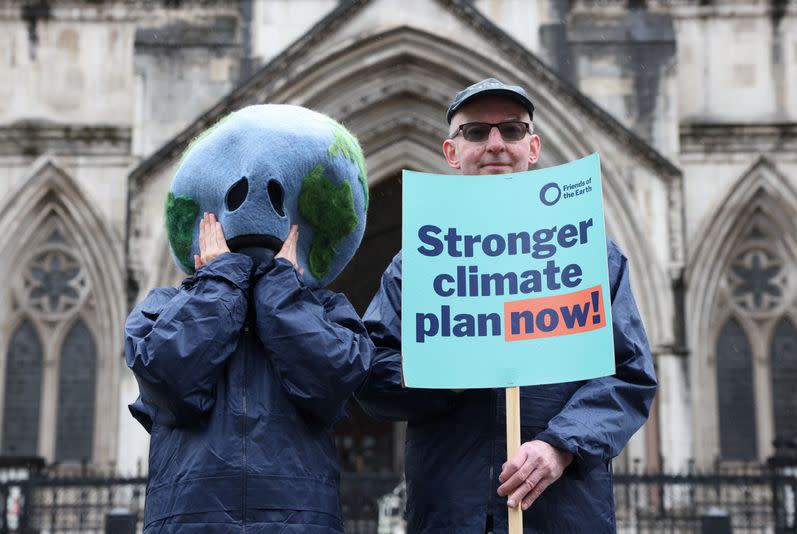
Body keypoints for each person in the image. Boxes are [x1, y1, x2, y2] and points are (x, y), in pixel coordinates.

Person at [356, 78, 657, 533]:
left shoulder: (590, 253)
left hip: (563, 514)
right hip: (450, 514)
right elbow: (370, 372)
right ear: (452, 152)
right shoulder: (415, 265)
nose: (496, 144)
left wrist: (560, 446)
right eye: (476, 132)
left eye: (512, 130)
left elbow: (629, 375)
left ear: (532, 147)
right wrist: (449, 375)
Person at [125, 105, 373, 533]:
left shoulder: (331, 312)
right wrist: (221, 280)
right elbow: (169, 383)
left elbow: (330, 381)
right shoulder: (161, 307)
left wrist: (279, 287)